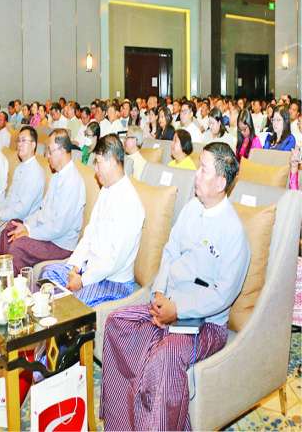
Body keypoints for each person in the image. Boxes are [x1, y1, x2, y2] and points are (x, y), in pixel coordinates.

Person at [100, 142, 249, 431]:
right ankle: (121, 424)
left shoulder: (234, 232)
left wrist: (177, 310)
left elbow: (222, 294)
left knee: (164, 357)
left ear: (220, 183)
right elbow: (169, 251)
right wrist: (159, 293)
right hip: (168, 303)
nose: (196, 175)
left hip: (206, 325)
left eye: (203, 169)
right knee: (117, 323)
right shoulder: (192, 209)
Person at [41, 135, 144, 306]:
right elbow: (89, 234)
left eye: (98, 162)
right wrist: (75, 266)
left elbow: (114, 260)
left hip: (113, 282)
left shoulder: (130, 202)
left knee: (74, 304)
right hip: (88, 268)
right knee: (48, 275)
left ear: (112, 161)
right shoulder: (106, 190)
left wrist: (83, 280)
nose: (95, 169)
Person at [0, 129, 85, 280]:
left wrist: (29, 232)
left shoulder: (73, 181)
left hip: (60, 244)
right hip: (47, 233)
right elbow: (43, 210)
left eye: (50, 151)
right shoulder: (58, 176)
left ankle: (13, 292)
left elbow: (58, 227)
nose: (47, 156)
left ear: (62, 151)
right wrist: (26, 226)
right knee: (9, 231)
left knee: (18, 246)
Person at [0, 126, 46, 282]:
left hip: (19, 221)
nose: (19, 144)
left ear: (33, 145)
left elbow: (22, 210)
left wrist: (0, 215)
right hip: (8, 215)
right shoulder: (21, 167)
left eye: (23, 141)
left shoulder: (35, 172)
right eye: (18, 141)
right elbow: (9, 198)